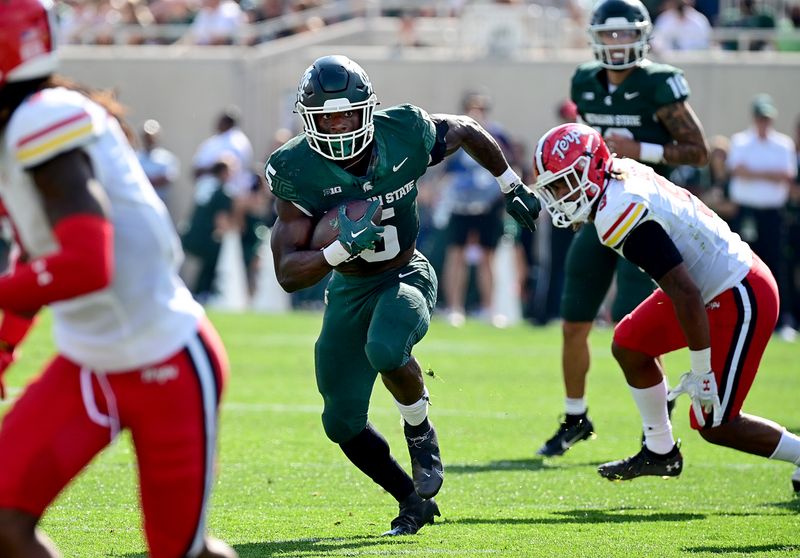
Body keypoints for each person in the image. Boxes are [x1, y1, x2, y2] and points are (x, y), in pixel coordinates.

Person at [265, 55, 540, 536]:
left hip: (404, 274)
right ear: (307, 119)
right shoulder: (295, 168)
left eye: (347, 113)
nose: (337, 125)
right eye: (325, 116)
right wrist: (337, 250)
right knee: (340, 422)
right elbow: (288, 273)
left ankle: (419, 428)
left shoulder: (405, 131)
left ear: (368, 109)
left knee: (387, 348)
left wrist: (509, 184)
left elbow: (469, 130)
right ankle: (411, 502)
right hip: (349, 287)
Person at [0, 2, 237, 557]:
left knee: (181, 553)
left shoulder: (42, 119)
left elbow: (87, 264)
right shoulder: (21, 123)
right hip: (89, 361)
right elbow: (33, 256)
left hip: (165, 362)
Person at [532, 122, 800, 489]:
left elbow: (684, 292)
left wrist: (701, 369)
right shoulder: (617, 176)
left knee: (716, 424)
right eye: (554, 186)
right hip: (708, 282)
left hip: (738, 291)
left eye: (564, 182)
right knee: (629, 344)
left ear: (592, 169)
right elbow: (682, 286)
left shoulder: (617, 209)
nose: (560, 194)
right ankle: (660, 450)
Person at [535, 0, 709, 458]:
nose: (616, 44)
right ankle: (575, 417)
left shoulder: (659, 82)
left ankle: (656, 427)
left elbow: (698, 151)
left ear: (642, 36)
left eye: (625, 34)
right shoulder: (585, 81)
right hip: (599, 212)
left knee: (637, 333)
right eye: (609, 35)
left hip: (649, 217)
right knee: (573, 322)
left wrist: (642, 147)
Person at [440, 90, 515, 327]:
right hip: (461, 204)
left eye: (481, 108)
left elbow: (510, 167)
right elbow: (445, 170)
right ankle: (454, 308)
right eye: (473, 108)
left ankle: (489, 309)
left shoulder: (498, 134)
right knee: (456, 255)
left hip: (488, 205)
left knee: (488, 257)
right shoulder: (453, 132)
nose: (477, 113)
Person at [727, 94, 798, 338]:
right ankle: (741, 316)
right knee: (742, 265)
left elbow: (786, 175)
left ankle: (780, 320)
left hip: (773, 214)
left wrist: (754, 173)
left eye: (767, 118)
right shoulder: (740, 141)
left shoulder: (783, 144)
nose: (763, 122)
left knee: (776, 264)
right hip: (746, 212)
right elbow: (737, 170)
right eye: (760, 117)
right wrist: (770, 174)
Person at [136, 118, 180, 215]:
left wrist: (145, 181)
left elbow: (167, 178)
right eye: (147, 137)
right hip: (139, 202)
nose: (149, 140)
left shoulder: (166, 158)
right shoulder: (135, 157)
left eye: (152, 137)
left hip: (160, 201)